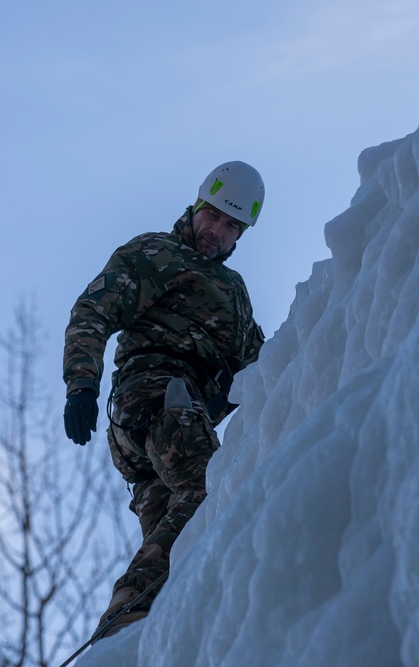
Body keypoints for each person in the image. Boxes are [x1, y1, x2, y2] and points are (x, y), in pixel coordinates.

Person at [62, 161, 266, 636]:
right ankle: (131, 602)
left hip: (167, 435)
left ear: (242, 233)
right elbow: (93, 309)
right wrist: (81, 385)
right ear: (197, 205)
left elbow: (262, 367)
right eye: (212, 215)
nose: (217, 230)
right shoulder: (157, 253)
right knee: (212, 489)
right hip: (155, 400)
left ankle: (138, 635)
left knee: (178, 547)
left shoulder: (234, 294)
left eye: (231, 225)